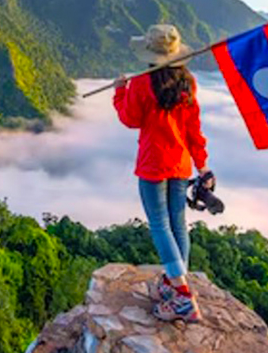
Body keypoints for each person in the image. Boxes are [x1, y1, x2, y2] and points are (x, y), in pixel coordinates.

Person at [113, 24, 211, 323]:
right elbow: (193, 129)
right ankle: (173, 282)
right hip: (180, 163)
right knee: (178, 224)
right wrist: (202, 164)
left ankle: (182, 295)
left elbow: (130, 119)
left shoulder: (143, 84)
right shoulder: (188, 83)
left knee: (159, 224)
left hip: (153, 164)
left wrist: (120, 91)